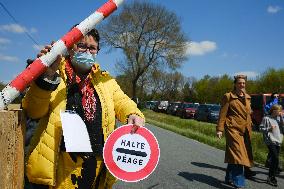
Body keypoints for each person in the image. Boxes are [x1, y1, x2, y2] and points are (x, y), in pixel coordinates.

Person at [22, 27, 145, 189]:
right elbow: (33, 110)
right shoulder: (52, 71)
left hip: (93, 170)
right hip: (56, 169)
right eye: (81, 46)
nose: (87, 51)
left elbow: (122, 101)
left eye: (92, 48)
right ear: (70, 47)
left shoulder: (106, 80)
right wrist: (46, 76)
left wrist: (133, 113)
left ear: (97, 51)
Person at [216, 75, 254, 189]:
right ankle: (239, 183)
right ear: (235, 84)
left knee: (235, 155)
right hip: (232, 128)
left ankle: (228, 178)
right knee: (239, 155)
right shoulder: (228, 97)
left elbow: (247, 114)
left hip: (245, 129)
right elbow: (222, 114)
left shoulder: (247, 97)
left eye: (243, 83)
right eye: (239, 83)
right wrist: (219, 129)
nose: (242, 85)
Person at [259, 104, 283, 187]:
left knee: (275, 160)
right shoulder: (266, 118)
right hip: (270, 140)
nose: (280, 112)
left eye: (280, 110)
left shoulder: (279, 119)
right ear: (274, 110)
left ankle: (271, 175)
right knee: (275, 158)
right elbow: (260, 128)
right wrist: (268, 129)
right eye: (279, 110)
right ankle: (272, 177)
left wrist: (282, 117)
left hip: (278, 140)